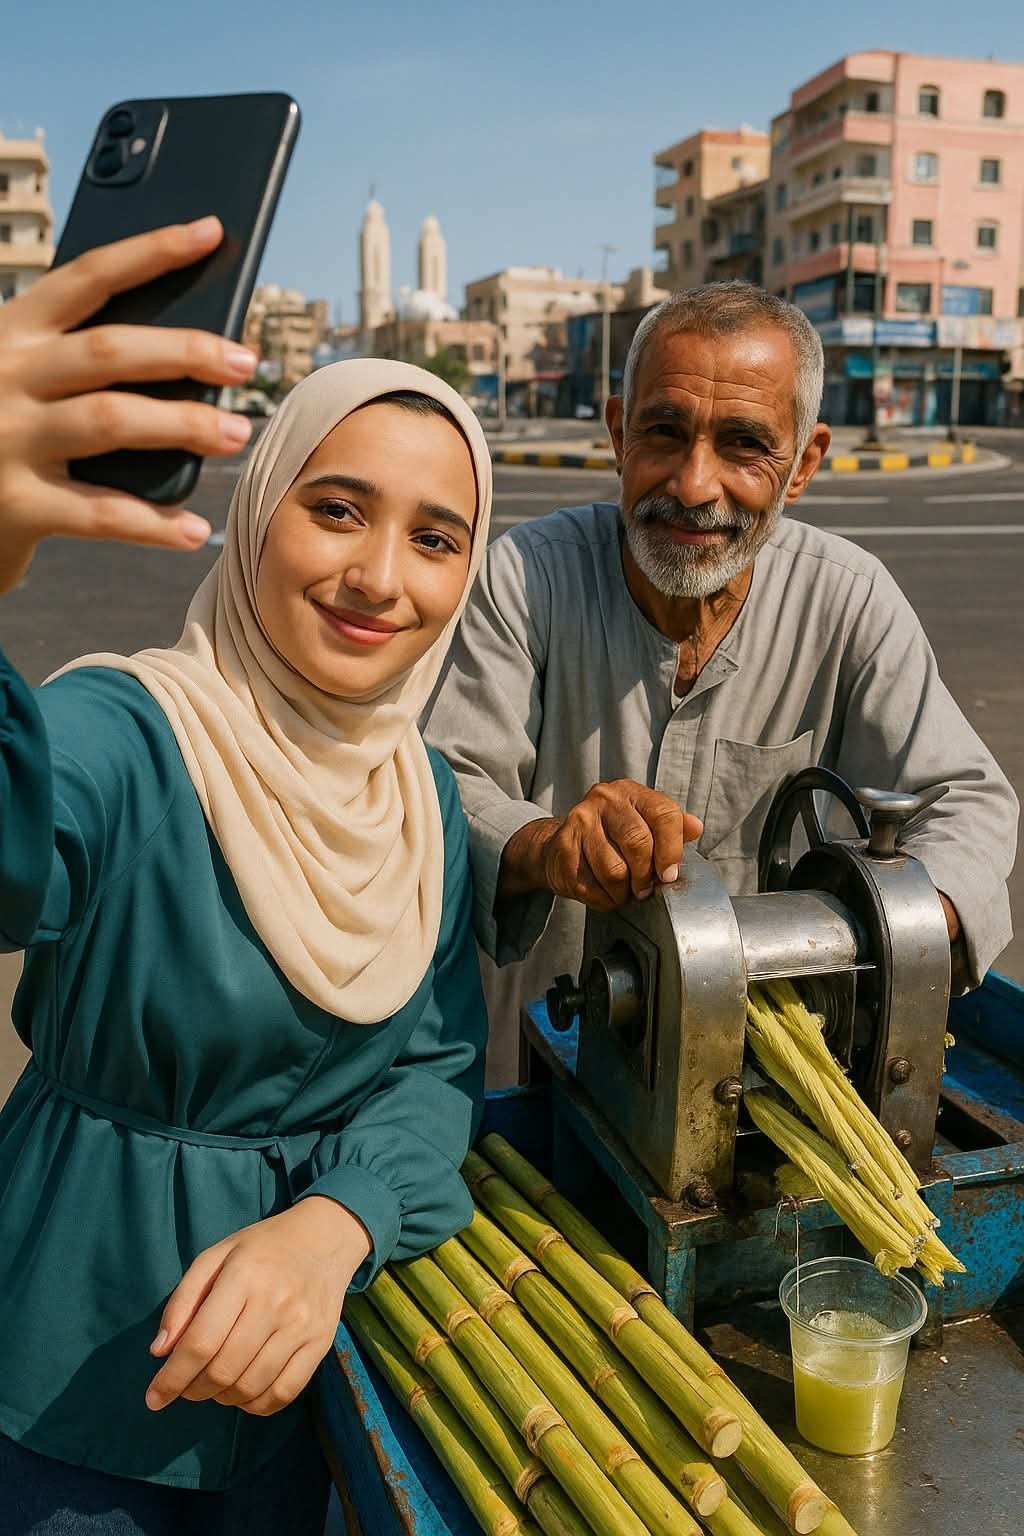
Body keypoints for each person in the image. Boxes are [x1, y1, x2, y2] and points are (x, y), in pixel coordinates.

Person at [0, 217, 492, 1533]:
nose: (379, 578)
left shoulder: (418, 795)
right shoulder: (131, 729)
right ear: (258, 511)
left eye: (435, 539)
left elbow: (434, 1072)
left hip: (304, 1390)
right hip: (74, 1392)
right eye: (337, 511)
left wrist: (339, 1224)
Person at [425, 281, 1018, 1084]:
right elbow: (445, 784)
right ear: (618, 434)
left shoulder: (847, 598)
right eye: (665, 433)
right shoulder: (528, 578)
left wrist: (883, 929)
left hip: (762, 1076)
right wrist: (550, 846)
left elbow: (967, 804)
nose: (694, 485)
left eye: (743, 445)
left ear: (803, 465)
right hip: (542, 1064)